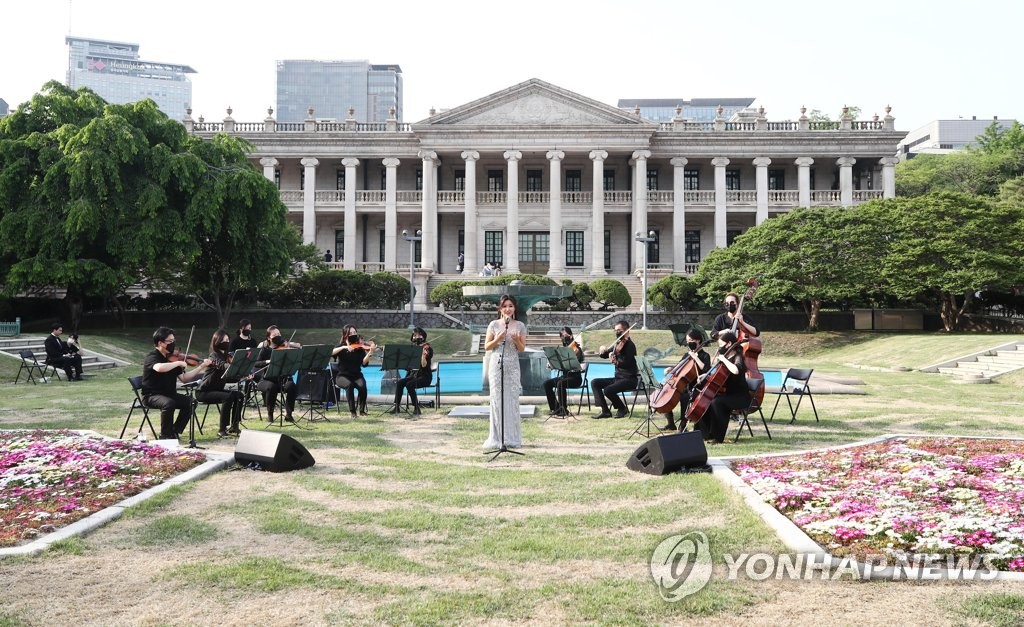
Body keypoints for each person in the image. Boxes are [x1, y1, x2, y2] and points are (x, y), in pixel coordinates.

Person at [142, 327, 211, 440]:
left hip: (169, 394)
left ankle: (174, 431)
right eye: (170, 341)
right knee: (169, 403)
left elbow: (184, 378)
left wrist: (201, 367)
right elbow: (159, 368)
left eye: (174, 341)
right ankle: (165, 436)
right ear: (160, 343)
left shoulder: (171, 359)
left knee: (191, 402)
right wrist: (178, 362)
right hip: (151, 395)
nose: (173, 344)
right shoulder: (152, 356)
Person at [483, 295, 527, 449]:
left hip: (513, 365)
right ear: (500, 309)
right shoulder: (494, 324)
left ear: (514, 308)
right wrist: (497, 339)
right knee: (496, 399)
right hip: (496, 364)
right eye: (505, 306)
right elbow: (487, 347)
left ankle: (512, 438)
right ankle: (496, 438)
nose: (508, 309)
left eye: (511, 306)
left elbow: (522, 349)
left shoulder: (520, 325)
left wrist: (516, 340)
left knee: (512, 400)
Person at [690, 331, 749, 443]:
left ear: (729, 344)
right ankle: (703, 434)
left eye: (721, 345)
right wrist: (706, 375)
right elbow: (718, 374)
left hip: (740, 397)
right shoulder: (726, 357)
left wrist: (724, 360)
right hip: (727, 394)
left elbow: (736, 370)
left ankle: (717, 437)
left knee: (717, 402)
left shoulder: (738, 357)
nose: (720, 348)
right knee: (707, 399)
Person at [660, 328, 712, 431]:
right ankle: (670, 423)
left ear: (698, 340)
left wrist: (695, 357)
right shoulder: (686, 355)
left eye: (691, 341)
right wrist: (671, 369)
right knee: (666, 393)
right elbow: (679, 366)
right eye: (687, 341)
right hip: (684, 385)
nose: (689, 343)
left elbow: (706, 369)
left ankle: (683, 425)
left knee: (684, 397)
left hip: (696, 386)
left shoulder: (705, 355)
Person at [196, 329, 244, 437]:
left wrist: (244, 375)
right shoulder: (213, 356)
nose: (227, 342)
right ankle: (222, 429)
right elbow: (222, 366)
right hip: (204, 391)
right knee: (228, 397)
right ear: (217, 342)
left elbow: (231, 377)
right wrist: (235, 365)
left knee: (239, 395)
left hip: (217, 389)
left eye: (228, 339)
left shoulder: (227, 356)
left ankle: (234, 426)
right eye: (224, 340)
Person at [591, 320, 638, 419]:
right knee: (595, 382)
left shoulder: (630, 345)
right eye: (616, 330)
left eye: (619, 330)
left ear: (626, 330)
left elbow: (628, 364)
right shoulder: (617, 343)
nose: (617, 332)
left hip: (629, 379)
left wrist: (616, 362)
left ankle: (622, 408)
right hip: (618, 378)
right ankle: (605, 411)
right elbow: (604, 354)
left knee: (608, 390)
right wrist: (603, 351)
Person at [255, 326, 301, 423]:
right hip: (266, 380)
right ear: (268, 338)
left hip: (281, 380)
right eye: (274, 335)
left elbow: (299, 349)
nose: (278, 336)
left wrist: (289, 352)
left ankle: (289, 414)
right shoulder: (265, 350)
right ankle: (270, 414)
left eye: (279, 334)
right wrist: (269, 361)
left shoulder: (284, 348)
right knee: (271, 387)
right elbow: (256, 363)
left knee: (291, 385)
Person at [332, 325, 376, 418]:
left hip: (356, 375)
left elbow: (364, 363)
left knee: (363, 386)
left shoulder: (360, 347)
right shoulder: (341, 346)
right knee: (349, 385)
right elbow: (331, 352)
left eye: (355, 332)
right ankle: (353, 412)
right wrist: (344, 347)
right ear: (345, 335)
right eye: (350, 333)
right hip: (342, 376)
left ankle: (362, 411)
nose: (353, 335)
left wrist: (370, 353)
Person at [388, 327, 434, 416]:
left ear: (423, 336)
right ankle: (397, 407)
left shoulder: (428, 349)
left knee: (410, 384)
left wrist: (423, 355)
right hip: (414, 376)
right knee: (400, 382)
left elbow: (424, 365)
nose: (416, 336)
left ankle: (417, 408)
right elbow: (408, 367)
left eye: (418, 334)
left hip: (425, 377)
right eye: (415, 335)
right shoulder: (412, 349)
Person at [543, 326, 584, 417]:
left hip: (575, 378)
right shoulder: (562, 350)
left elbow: (573, 365)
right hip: (565, 377)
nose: (564, 337)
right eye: (562, 336)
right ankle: (555, 408)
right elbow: (561, 365)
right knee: (547, 383)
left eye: (566, 335)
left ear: (571, 335)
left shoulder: (577, 349)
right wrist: (553, 364)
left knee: (560, 383)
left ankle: (564, 409)